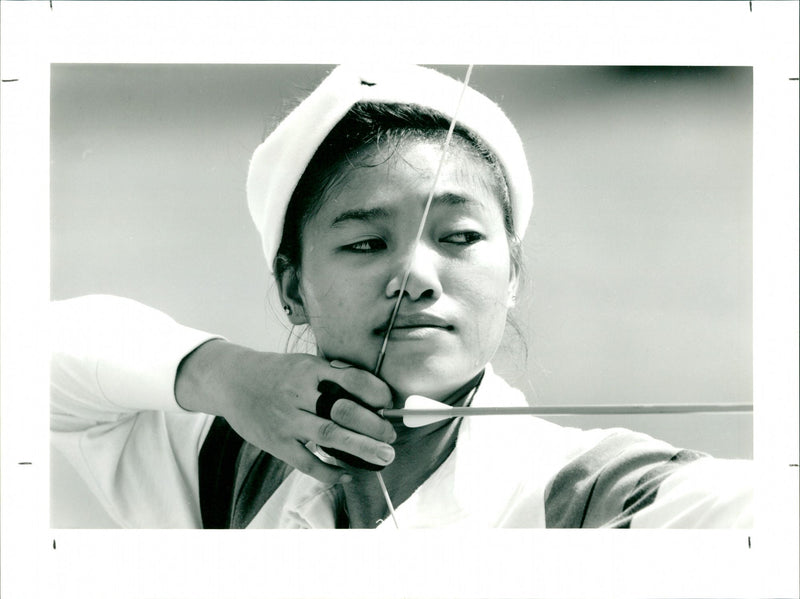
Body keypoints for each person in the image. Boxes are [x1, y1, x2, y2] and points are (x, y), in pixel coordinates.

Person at [50, 64, 752, 529]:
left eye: (459, 237)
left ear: (511, 276)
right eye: (364, 243)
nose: (415, 275)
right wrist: (223, 373)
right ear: (292, 287)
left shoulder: (583, 492)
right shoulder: (228, 461)